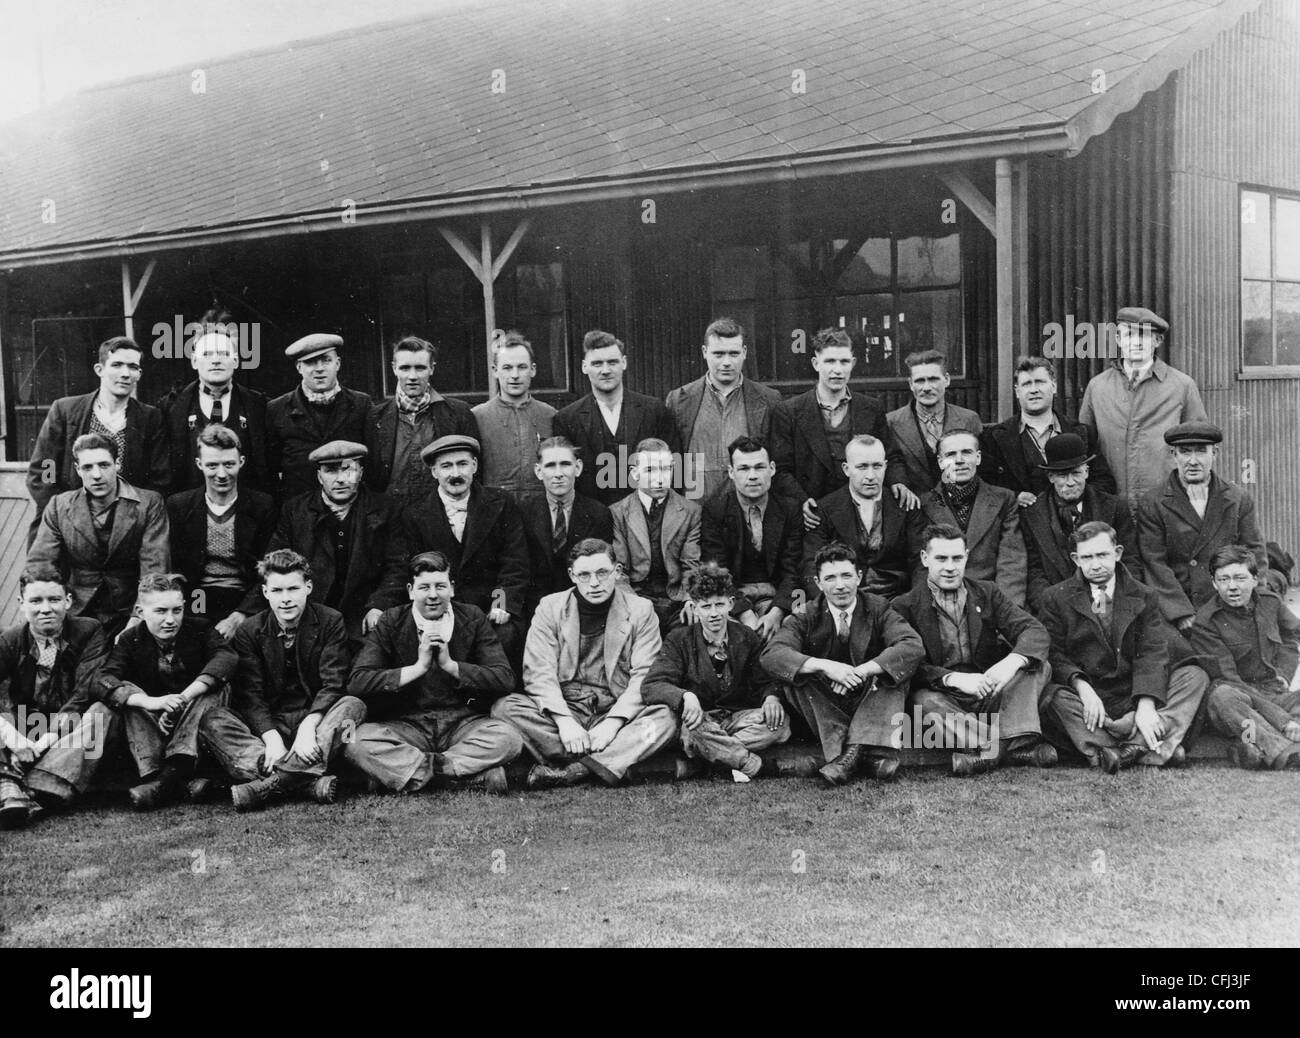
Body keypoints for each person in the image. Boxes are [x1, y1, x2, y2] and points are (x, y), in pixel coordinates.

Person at [491, 539, 676, 789]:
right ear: (572, 576)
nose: (595, 583)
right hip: (567, 709)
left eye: (602, 573)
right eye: (584, 575)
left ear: (617, 572)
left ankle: (576, 770)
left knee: (665, 717)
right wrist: (565, 722)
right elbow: (538, 672)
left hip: (613, 708)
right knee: (505, 707)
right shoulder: (550, 607)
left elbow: (645, 675)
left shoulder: (641, 610)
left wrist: (614, 723)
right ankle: (611, 760)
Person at [200, 550, 366, 811]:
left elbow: (332, 683)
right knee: (213, 720)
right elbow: (251, 695)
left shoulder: (330, 621)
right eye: (277, 591)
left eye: (293, 589)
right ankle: (306, 782)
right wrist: (272, 739)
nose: (286, 599)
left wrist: (309, 726)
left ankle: (269, 784)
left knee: (352, 707)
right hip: (271, 721)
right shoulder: (249, 630)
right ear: (265, 592)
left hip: (314, 719)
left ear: (308, 587)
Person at [1038, 521, 1208, 773]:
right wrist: (1082, 687)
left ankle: (1116, 751)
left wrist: (1146, 705)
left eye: (1102, 555)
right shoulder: (1055, 597)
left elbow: (1152, 650)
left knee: (1194, 676)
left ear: (1117, 553)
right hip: (1092, 700)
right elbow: (1055, 653)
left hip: (1133, 691)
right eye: (1087, 557)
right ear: (1075, 559)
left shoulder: (1144, 595)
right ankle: (1152, 747)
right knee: (1053, 697)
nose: (1095, 564)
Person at [344, 551, 521, 794]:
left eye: (440, 586)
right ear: (410, 590)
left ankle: (405, 773)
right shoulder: (391, 621)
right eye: (424, 587)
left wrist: (451, 666)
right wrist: (418, 668)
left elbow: (504, 678)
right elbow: (357, 682)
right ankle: (462, 777)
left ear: (452, 588)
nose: (433, 595)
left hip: (461, 723)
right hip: (408, 724)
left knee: (509, 738)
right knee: (353, 740)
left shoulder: (472, 617)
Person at [891, 524, 1055, 775]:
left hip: (991, 693)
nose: (950, 567)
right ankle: (1007, 747)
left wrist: (1012, 662)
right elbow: (907, 664)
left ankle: (989, 750)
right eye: (941, 558)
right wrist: (952, 678)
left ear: (966, 556)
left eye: (957, 558)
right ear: (925, 559)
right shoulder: (905, 605)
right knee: (923, 701)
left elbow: (1034, 631)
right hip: (945, 698)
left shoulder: (987, 593)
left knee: (1039, 665)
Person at [761, 542, 925, 787]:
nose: (840, 585)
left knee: (894, 671)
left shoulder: (878, 608)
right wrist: (824, 666)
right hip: (828, 706)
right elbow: (772, 654)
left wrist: (863, 670)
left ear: (859, 577)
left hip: (871, 700)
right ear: (818, 583)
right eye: (830, 578)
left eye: (847, 575)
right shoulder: (805, 614)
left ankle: (849, 756)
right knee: (798, 677)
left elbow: (912, 646)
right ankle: (868, 755)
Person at [642, 563, 810, 782]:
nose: (713, 614)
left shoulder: (746, 637)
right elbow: (652, 684)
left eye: (719, 605)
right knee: (693, 731)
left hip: (736, 718)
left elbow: (765, 678)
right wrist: (685, 696)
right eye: (705, 606)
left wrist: (771, 697)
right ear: (694, 608)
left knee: (780, 724)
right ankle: (753, 765)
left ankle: (706, 759)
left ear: (730, 604)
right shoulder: (679, 639)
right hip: (701, 719)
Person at [94, 573, 237, 810]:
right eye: (161, 611)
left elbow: (226, 658)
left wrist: (184, 698)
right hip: (156, 727)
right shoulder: (131, 639)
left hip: (196, 725)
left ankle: (165, 781)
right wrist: (151, 702)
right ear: (140, 612)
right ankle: (169, 780)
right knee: (127, 693)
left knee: (216, 688)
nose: (170, 619)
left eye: (177, 610)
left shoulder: (199, 628)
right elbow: (101, 679)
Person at [25, 335, 168, 544]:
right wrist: (62, 513)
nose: (125, 374)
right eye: (117, 365)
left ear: (139, 374)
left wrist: (130, 519)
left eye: (132, 367)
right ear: (99, 370)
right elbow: (44, 469)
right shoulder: (66, 411)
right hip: (69, 527)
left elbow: (159, 480)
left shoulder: (150, 418)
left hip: (127, 531)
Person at [28, 433, 170, 639]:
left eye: (104, 465)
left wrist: (138, 619)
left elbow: (155, 569)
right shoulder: (59, 506)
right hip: (75, 611)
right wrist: (55, 613)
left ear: (117, 464)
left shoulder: (149, 503)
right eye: (87, 467)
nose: (96, 475)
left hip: (128, 610)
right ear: (78, 470)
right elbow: (41, 565)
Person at [0, 566, 113, 826]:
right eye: (36, 601)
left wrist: (46, 740)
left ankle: (30, 786)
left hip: (73, 729)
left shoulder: (89, 631)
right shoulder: (10, 640)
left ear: (69, 601)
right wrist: (14, 739)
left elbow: (85, 691)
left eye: (54, 599)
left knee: (101, 712)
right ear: (21, 603)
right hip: (28, 726)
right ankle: (10, 783)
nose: (45, 609)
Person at [401, 435, 529, 663]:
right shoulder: (415, 513)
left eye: (462, 464)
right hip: (442, 607)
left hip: (490, 608)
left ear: (475, 466)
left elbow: (515, 562)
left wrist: (501, 603)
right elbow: (414, 570)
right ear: (434, 472)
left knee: (506, 638)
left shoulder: (501, 502)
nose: (455, 474)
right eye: (446, 466)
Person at [267, 441, 408, 643]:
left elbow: (398, 566)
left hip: (363, 614)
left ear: (361, 472)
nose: (341, 479)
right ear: (319, 476)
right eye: (331, 471)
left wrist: (379, 605)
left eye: (348, 469)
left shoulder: (385, 509)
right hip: (310, 614)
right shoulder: (296, 511)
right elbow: (275, 564)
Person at [1136, 421, 1268, 633]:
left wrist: (1245, 600)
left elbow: (1254, 553)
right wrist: (1181, 613)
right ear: (1174, 455)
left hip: (1227, 603)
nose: (1193, 461)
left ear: (1214, 453)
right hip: (1178, 608)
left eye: (1201, 452)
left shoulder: (1238, 499)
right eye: (1185, 452)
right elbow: (1154, 563)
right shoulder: (1153, 502)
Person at [771, 328, 904, 531]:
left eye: (844, 362)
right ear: (816, 364)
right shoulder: (789, 411)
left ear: (853, 363)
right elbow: (781, 469)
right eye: (830, 361)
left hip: (860, 514)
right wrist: (801, 502)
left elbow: (891, 456)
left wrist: (898, 482)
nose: (838, 370)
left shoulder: (871, 408)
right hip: (813, 515)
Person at [1078, 306, 1207, 503]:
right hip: (1112, 506)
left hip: (1166, 505)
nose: (1135, 342)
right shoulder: (1097, 387)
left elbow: (1199, 449)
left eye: (1144, 335)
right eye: (1128, 335)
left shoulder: (1182, 386)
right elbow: (1084, 448)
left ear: (1157, 340)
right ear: (1118, 340)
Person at [1188, 545, 1300, 770]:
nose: (1232, 587)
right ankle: (1286, 751)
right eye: (1223, 579)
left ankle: (1250, 747)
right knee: (1224, 697)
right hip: (1238, 699)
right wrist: (1281, 718)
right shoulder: (1205, 622)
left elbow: (1291, 637)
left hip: (1273, 692)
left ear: (1254, 579)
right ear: (1214, 583)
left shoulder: (1271, 602)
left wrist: (1285, 675)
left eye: (1239, 578)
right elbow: (1229, 679)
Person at [166, 423, 277, 640]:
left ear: (241, 462)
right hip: (199, 594)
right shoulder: (180, 505)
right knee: (200, 636)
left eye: (229, 464)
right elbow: (179, 569)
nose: (221, 474)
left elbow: (269, 569)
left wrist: (241, 614)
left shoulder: (262, 505)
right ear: (199, 464)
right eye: (212, 465)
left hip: (244, 596)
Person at [552, 330, 679, 507]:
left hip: (647, 516)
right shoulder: (567, 418)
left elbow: (675, 467)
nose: (605, 370)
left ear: (624, 363)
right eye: (597, 363)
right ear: (584, 367)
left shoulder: (654, 410)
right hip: (593, 520)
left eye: (612, 362)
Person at [665, 318, 782, 501]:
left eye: (733, 354)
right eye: (718, 354)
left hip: (747, 509)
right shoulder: (679, 400)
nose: (727, 362)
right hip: (695, 508)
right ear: (705, 352)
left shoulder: (769, 399)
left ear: (744, 353)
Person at [1021, 433, 1140, 610]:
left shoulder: (1114, 507)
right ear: (1051, 477)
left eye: (1076, 473)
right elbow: (1034, 572)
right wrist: (1057, 608)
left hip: (1108, 604)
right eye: (1062, 475)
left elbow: (1130, 562)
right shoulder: (1032, 514)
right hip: (1057, 608)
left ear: (1086, 472)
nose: (1070, 483)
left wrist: (1104, 605)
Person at [700, 435, 802, 641]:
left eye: (760, 467)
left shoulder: (790, 509)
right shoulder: (715, 510)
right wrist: (745, 613)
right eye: (744, 469)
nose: (753, 476)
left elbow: (793, 569)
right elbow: (716, 571)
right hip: (733, 597)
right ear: (731, 472)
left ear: (772, 469)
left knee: (788, 635)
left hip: (775, 597)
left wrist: (777, 612)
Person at [801, 434, 924, 600]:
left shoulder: (905, 505)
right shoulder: (824, 509)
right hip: (845, 599)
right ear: (846, 469)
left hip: (898, 598)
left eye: (877, 466)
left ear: (886, 466)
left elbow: (920, 560)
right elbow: (811, 564)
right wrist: (827, 605)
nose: (871, 476)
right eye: (862, 467)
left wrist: (914, 600)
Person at [980, 355, 1115, 505]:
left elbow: (1104, 482)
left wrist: (1078, 500)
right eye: (1026, 384)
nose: (1033, 390)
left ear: (1054, 386)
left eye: (1040, 382)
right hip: (1019, 524)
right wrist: (1013, 497)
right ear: (1017, 391)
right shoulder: (993, 438)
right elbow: (985, 488)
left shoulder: (1083, 433)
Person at [156, 322, 270, 493]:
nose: (216, 360)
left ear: (236, 361)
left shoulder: (259, 405)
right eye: (208, 354)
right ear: (194, 361)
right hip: (188, 508)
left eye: (223, 354)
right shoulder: (169, 407)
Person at [363, 335, 478, 505]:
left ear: (432, 368)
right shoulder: (375, 416)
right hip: (391, 518)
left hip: (441, 515)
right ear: (394, 369)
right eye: (405, 368)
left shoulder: (458, 412)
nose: (412, 376)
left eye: (420, 368)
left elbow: (474, 471)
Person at [917, 431, 1027, 604]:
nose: (959, 460)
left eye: (966, 452)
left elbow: (1012, 563)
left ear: (978, 458)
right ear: (940, 462)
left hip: (989, 601)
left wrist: (1006, 612)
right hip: (940, 601)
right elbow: (919, 568)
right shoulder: (923, 504)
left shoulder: (1004, 499)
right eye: (951, 454)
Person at [266, 333, 373, 500]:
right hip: (299, 511)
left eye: (326, 360)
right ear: (299, 367)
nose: (319, 368)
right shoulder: (277, 409)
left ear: (337, 364)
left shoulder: (361, 404)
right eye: (310, 362)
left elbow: (371, 462)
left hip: (350, 507)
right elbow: (271, 469)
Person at [610, 438, 702, 631]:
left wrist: (689, 600)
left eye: (666, 469)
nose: (659, 479)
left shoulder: (691, 511)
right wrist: (635, 606)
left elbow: (691, 565)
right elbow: (619, 571)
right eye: (650, 470)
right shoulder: (618, 512)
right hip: (636, 598)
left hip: (676, 600)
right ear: (635, 473)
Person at [520, 436, 613, 609]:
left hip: (585, 602)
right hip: (535, 605)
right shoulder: (523, 511)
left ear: (577, 468)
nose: (558, 474)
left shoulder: (598, 513)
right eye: (550, 466)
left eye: (565, 464)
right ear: (539, 471)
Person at [885, 350, 983, 501]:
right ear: (911, 384)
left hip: (959, 507)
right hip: (912, 510)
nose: (926, 387)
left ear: (947, 380)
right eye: (919, 381)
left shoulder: (969, 419)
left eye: (933, 379)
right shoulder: (891, 422)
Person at [471, 330, 556, 505]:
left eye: (522, 367)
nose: (515, 375)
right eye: (507, 368)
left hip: (541, 509)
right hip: (495, 509)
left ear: (532, 370)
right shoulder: (477, 417)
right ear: (495, 371)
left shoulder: (551, 415)